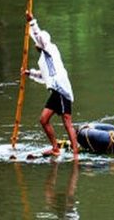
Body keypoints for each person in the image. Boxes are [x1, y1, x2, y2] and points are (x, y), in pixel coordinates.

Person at [24, 11, 79, 157]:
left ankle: (75, 153)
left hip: (61, 90)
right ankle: (55, 148)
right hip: (55, 91)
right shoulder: (43, 58)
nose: (36, 45)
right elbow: (44, 76)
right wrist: (30, 73)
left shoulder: (50, 49)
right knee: (43, 120)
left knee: (67, 122)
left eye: (37, 43)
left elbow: (40, 38)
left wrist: (32, 22)